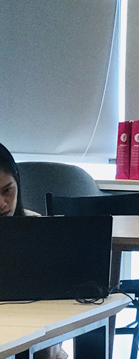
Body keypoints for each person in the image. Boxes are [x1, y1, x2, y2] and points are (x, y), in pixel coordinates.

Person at [0, 142, 68, 359]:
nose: (2, 203)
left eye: (7, 191)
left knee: (46, 347)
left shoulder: (36, 226)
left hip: (33, 326)